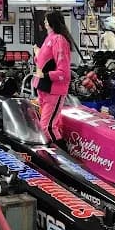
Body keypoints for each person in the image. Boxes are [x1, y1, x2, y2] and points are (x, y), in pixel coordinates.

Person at [34, 10, 73, 144]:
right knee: (45, 126)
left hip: (53, 90)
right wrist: (37, 55)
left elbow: (64, 72)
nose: (44, 22)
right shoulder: (49, 38)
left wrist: (44, 75)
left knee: (47, 127)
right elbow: (44, 62)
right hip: (43, 88)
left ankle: (63, 161)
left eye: (46, 20)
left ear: (52, 22)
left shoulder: (59, 39)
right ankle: (51, 158)